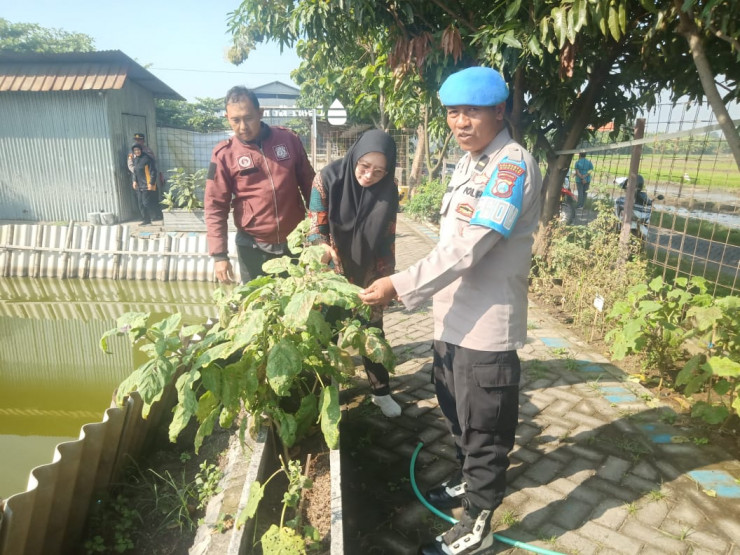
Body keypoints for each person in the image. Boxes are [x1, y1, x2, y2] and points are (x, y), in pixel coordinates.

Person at [360, 66, 543, 555]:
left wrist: (399, 285)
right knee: (454, 411)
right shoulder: (468, 163)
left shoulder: (511, 165)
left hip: (486, 326)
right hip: (450, 317)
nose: (460, 122)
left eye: (472, 112)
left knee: (484, 429)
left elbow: (470, 246)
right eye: (453, 113)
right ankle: (467, 479)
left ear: (499, 111)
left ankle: (478, 524)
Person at [307, 129, 402, 418]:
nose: (369, 175)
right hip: (331, 272)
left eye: (379, 171)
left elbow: (388, 236)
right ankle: (325, 392)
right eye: (364, 166)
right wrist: (321, 246)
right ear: (355, 157)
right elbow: (315, 227)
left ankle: (380, 392)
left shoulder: (389, 188)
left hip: (368, 271)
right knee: (324, 334)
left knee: (372, 334)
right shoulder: (327, 179)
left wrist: (387, 279)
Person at [205, 86, 315, 284]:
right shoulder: (224, 154)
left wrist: (320, 232)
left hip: (294, 243)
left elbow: (311, 187)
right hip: (252, 247)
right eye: (235, 120)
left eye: (248, 118)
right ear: (227, 118)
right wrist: (219, 255)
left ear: (260, 113)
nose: (242, 127)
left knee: (297, 297)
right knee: (257, 300)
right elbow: (215, 206)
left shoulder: (289, 140)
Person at [131, 144, 163, 225]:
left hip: (147, 184)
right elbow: (135, 171)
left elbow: (153, 171)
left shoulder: (147, 159)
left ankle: (157, 215)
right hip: (140, 185)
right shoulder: (136, 159)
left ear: (141, 150)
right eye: (135, 151)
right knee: (140, 203)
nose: (137, 152)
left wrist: (151, 183)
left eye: (138, 150)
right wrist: (134, 181)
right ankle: (146, 220)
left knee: (146, 203)